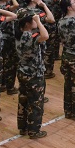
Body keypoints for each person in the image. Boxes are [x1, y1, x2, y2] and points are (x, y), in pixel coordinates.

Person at [15, 8, 48, 139]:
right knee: (35, 102)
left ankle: (22, 127)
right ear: (27, 23)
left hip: (23, 71)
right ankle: (34, 130)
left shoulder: (18, 34)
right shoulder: (29, 35)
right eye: (33, 20)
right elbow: (45, 36)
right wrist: (39, 22)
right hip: (34, 74)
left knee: (23, 100)